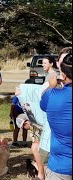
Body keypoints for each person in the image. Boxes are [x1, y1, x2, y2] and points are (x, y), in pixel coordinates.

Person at [40, 51, 72, 179]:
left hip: (60, 166)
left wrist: (51, 86)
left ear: (63, 74)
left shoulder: (51, 95)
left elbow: (42, 104)